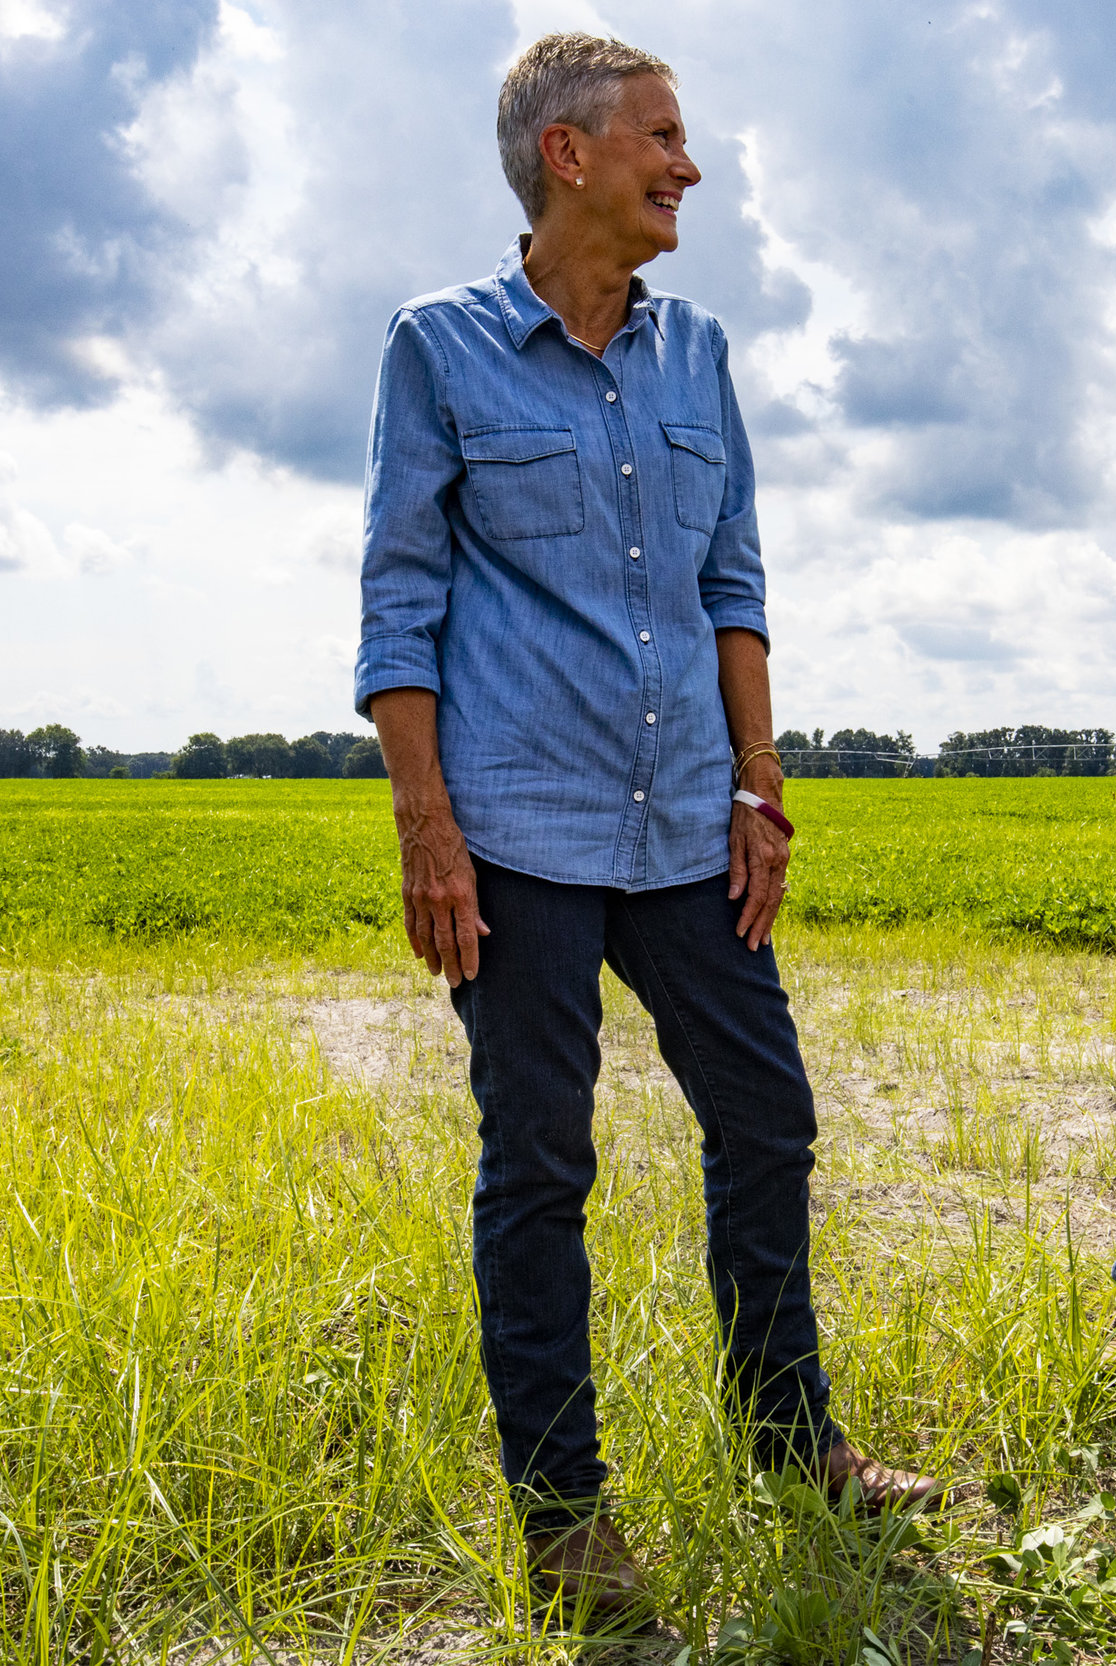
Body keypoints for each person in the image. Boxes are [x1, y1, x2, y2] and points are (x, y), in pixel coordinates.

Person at [353, 31, 942, 1617]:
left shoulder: (701, 359)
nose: (690, 166)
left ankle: (787, 1439)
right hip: (521, 837)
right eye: (665, 138)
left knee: (769, 1118)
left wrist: (761, 784)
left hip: (688, 829)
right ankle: (563, 1519)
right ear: (569, 154)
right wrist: (428, 826)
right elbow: (400, 598)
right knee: (539, 1164)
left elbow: (733, 585)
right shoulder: (441, 348)